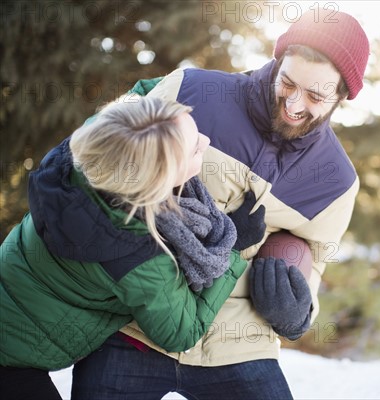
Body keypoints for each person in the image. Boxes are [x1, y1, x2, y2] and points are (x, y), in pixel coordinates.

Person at [72, 9, 370, 399]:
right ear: (277, 62)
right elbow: (110, 173)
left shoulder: (337, 180)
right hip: (136, 322)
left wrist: (296, 313)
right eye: (288, 83)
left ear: (342, 96)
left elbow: (315, 257)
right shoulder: (191, 91)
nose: (295, 105)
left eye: (316, 96)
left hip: (239, 342)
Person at [0, 96, 266, 399]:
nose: (206, 140)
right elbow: (181, 331)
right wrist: (233, 248)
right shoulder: (134, 254)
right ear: (160, 179)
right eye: (195, 148)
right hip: (10, 362)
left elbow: (137, 107)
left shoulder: (84, 152)